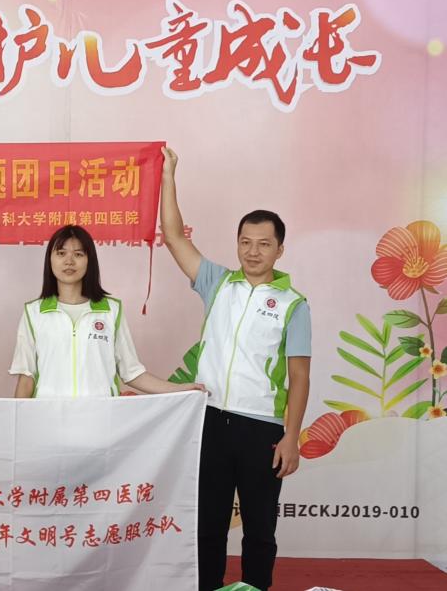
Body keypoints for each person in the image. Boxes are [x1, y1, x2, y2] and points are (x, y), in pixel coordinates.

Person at [160, 147, 311, 591]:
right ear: (237, 244)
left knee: (260, 528)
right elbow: (173, 236)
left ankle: (255, 587)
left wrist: (291, 436)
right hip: (210, 421)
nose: (253, 251)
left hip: (261, 428)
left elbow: (299, 376)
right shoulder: (218, 283)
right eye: (245, 242)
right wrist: (169, 176)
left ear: (280, 249)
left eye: (263, 244)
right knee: (208, 525)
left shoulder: (293, 305)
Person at [9, 224, 204, 398]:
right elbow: (26, 378)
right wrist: (17, 421)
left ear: (89, 261)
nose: (69, 261)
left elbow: (132, 372)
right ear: (50, 260)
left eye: (78, 254)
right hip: (49, 416)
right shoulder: (34, 312)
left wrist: (178, 389)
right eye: (61, 253)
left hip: (101, 417)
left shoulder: (110, 310)